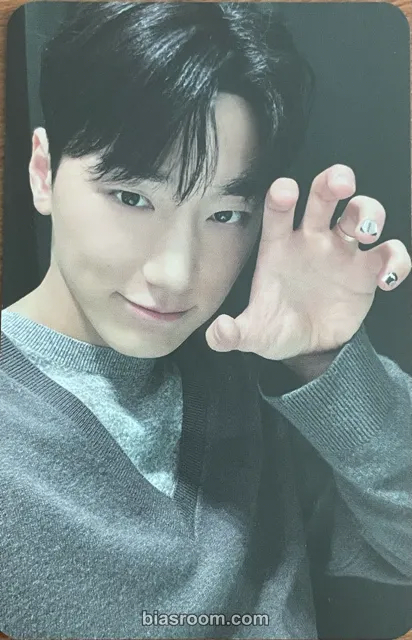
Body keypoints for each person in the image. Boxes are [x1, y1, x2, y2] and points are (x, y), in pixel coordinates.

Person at [1, 3, 411, 639]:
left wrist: (325, 363)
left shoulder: (247, 372)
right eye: (132, 197)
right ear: (42, 173)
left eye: (225, 215)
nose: (176, 272)